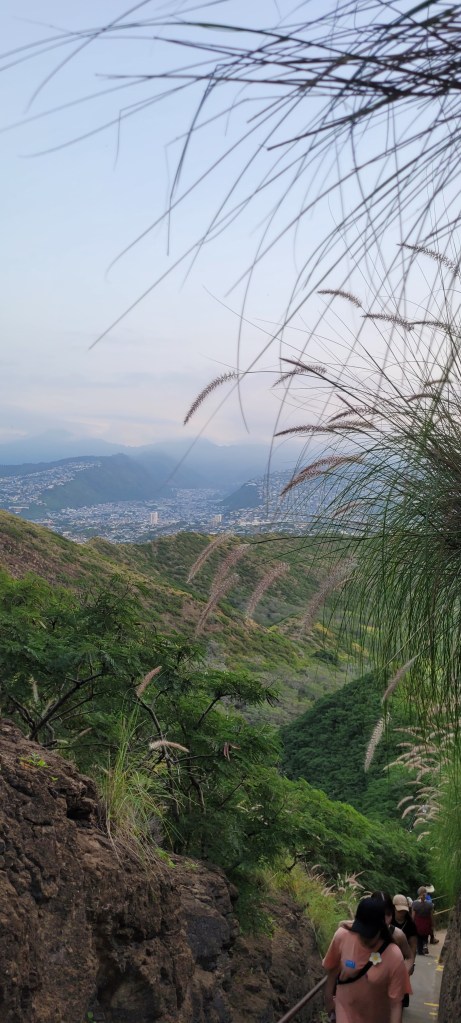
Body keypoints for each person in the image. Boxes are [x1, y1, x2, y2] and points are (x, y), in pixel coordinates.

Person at [323, 896, 411, 1023]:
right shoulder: (342, 936)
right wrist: (329, 1000)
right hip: (345, 1010)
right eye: (362, 932)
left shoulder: (393, 955)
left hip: (377, 1016)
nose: (364, 938)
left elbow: (396, 1003)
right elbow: (332, 970)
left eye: (370, 934)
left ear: (381, 928)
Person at [392, 894, 417, 1008]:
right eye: (399, 910)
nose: (402, 913)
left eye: (404, 911)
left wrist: (411, 964)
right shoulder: (388, 920)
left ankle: (399, 1004)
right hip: (388, 957)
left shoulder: (411, 925)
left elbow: (413, 945)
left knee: (401, 982)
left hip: (403, 958)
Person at [412, 886, 435, 955]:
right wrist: (432, 924)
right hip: (427, 923)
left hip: (418, 924)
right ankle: (425, 945)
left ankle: (420, 950)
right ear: (426, 893)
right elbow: (431, 916)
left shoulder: (415, 903)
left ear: (418, 893)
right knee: (425, 936)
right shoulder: (430, 904)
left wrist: (411, 923)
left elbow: (413, 916)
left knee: (419, 938)